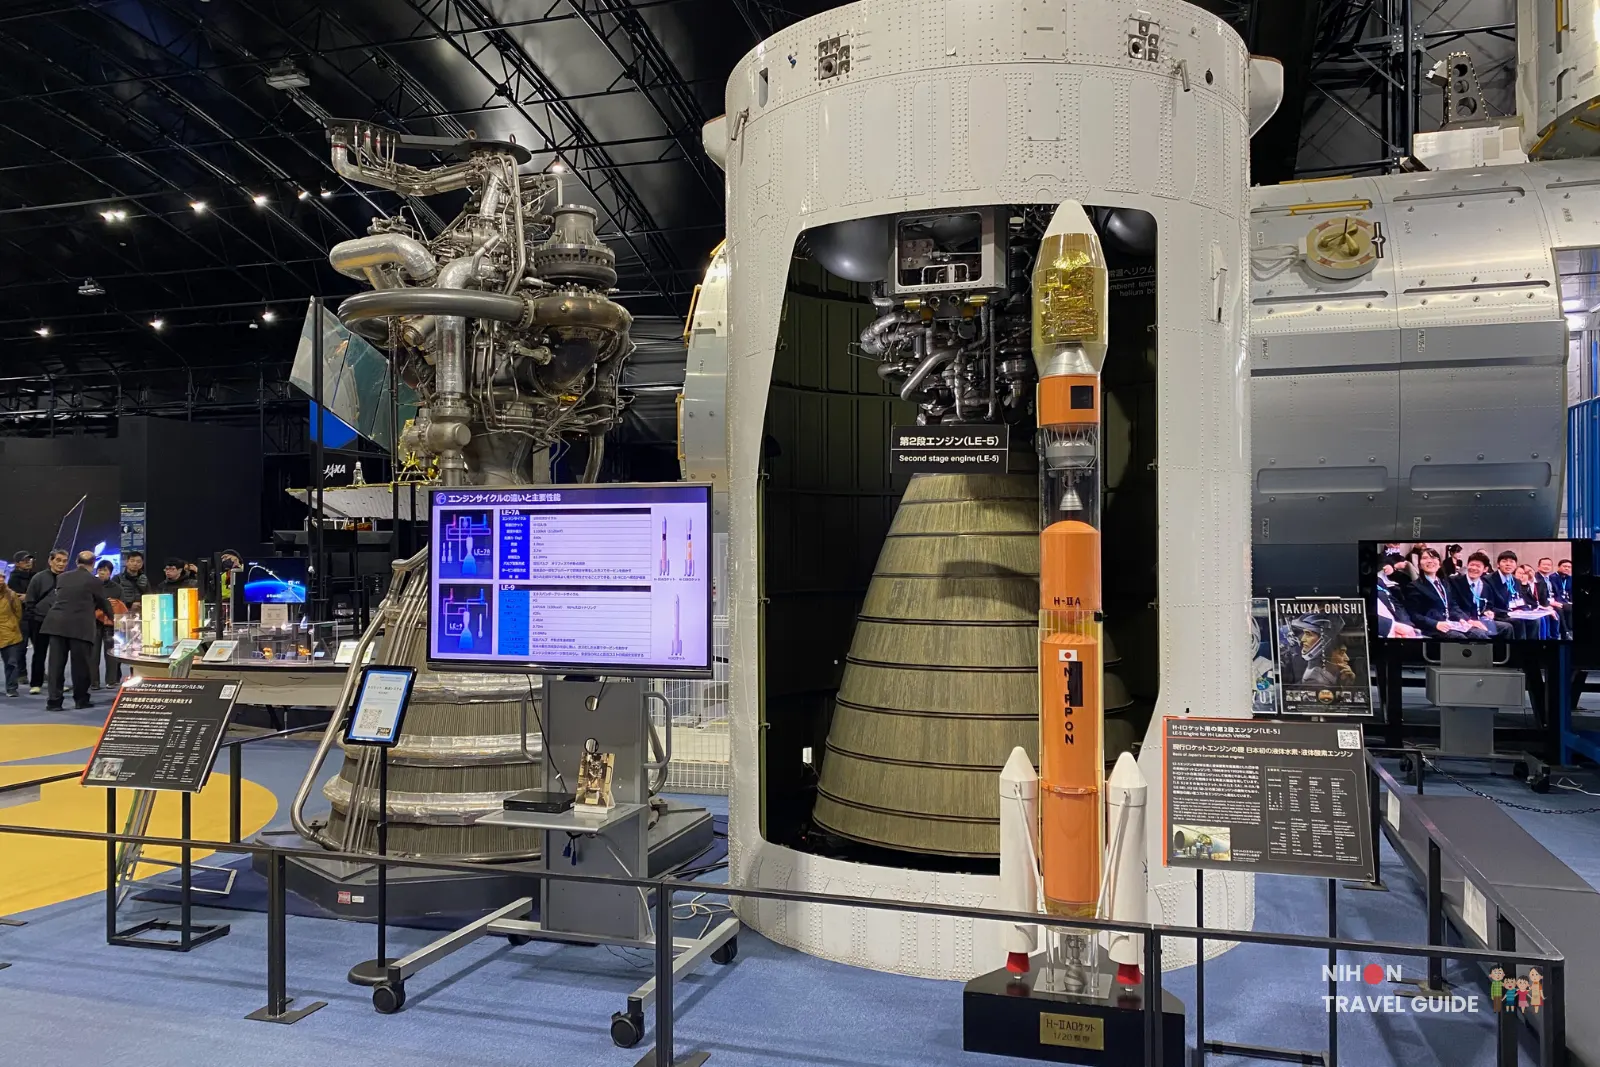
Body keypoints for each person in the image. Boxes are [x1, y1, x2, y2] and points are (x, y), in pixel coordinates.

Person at [39, 550, 112, 711]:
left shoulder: (62, 577)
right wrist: (115, 619)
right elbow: (103, 603)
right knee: (81, 666)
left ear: (77, 562)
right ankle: (81, 700)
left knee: (55, 665)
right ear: (93, 564)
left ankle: (54, 702)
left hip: (57, 625)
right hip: (80, 627)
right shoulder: (94, 581)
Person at [22, 549, 68, 694]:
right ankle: (36, 683)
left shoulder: (68, 578)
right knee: (39, 653)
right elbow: (30, 599)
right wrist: (32, 618)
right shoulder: (39, 578)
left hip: (60, 622)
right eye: (58, 560)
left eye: (64, 561)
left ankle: (58, 683)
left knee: (59, 656)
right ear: (50, 561)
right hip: (39, 621)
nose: (61, 564)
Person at [1403, 548, 1474, 638]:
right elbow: (1414, 614)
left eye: (1433, 557)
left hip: (1451, 623)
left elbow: (1452, 605)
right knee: (1459, 637)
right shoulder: (1414, 586)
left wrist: (1461, 618)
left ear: (1439, 564)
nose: (1430, 561)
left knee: (1478, 633)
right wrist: (1435, 624)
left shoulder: (1445, 583)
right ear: (1419, 566)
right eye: (1425, 558)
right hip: (1432, 628)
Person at [1447, 552, 1512, 640]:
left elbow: (1488, 605)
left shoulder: (1486, 586)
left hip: (1480, 619)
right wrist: (1469, 620)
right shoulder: (1454, 581)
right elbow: (1452, 605)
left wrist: (1488, 611)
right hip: (1462, 620)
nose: (1474, 568)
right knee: (1480, 634)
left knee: (1507, 628)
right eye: (1472, 565)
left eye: (1478, 566)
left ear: (1485, 569)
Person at [93, 559, 120, 689]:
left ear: (110, 572)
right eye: (100, 570)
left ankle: (111, 680)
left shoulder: (117, 588)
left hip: (110, 624)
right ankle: (94, 682)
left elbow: (121, 605)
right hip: (94, 623)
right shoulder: (91, 585)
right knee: (93, 654)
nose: (102, 573)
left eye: (105, 570)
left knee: (111, 653)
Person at [0, 577, 23, 697]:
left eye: (2, 580)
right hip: (9, 631)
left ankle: (11, 688)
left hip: (10, 633)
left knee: (12, 662)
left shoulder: (11, 595)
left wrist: (11, 625)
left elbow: (18, 613)